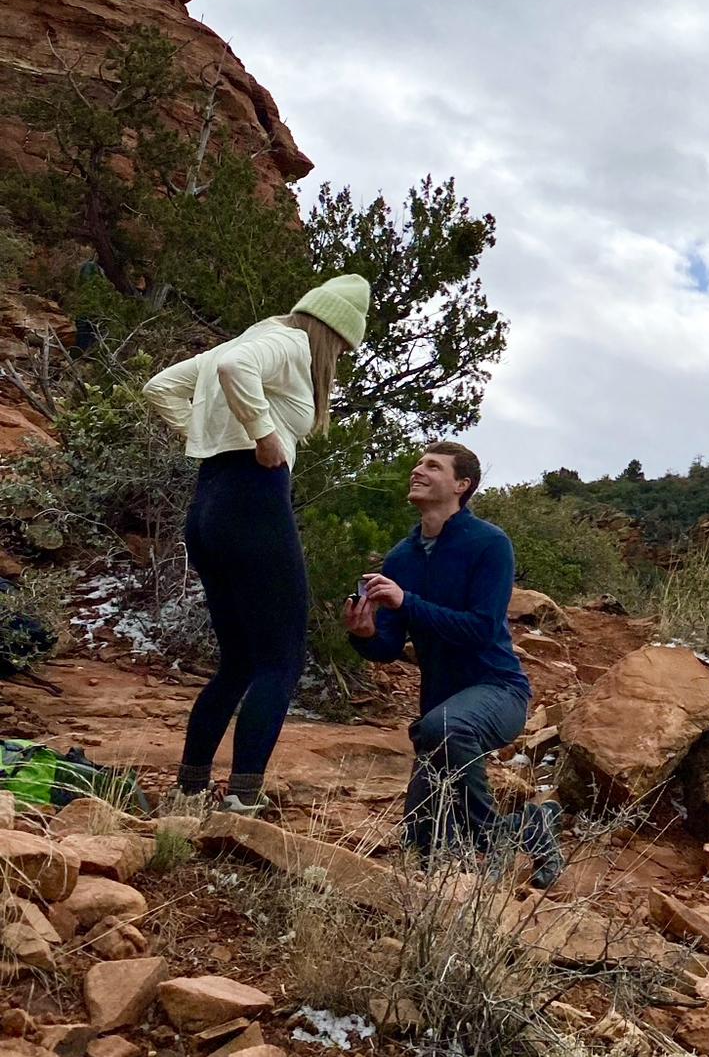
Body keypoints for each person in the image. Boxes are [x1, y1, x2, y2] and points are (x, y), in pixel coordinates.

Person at [143, 275, 371, 810]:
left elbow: (161, 388)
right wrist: (263, 437)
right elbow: (232, 371)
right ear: (332, 333)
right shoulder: (289, 342)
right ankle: (243, 800)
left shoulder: (244, 338)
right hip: (254, 502)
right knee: (282, 662)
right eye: (341, 346)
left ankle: (190, 791)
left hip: (209, 506)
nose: (337, 356)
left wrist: (209, 437)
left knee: (240, 662)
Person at [345, 441, 563, 887]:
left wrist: (409, 600)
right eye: (417, 463)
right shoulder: (402, 557)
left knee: (447, 727)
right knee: (422, 845)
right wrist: (363, 633)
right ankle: (527, 827)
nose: (417, 470)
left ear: (462, 485)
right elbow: (389, 647)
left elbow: (482, 628)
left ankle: (498, 835)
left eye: (432, 466)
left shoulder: (489, 544)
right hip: (439, 713)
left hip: (499, 690)